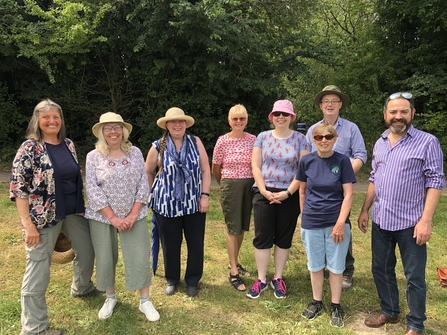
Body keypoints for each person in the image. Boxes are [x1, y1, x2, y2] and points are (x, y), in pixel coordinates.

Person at [357, 92, 445, 335]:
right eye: (393, 112)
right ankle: (390, 310)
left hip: (411, 223)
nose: (398, 116)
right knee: (380, 268)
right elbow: (374, 178)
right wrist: (365, 209)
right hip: (382, 220)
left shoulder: (427, 142)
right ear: (385, 115)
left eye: (403, 111)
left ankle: (416, 324)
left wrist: (425, 221)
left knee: (414, 276)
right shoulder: (381, 141)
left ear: (412, 113)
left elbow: (435, 182)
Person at [10, 99, 98, 335]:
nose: (52, 121)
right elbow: (19, 188)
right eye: (46, 116)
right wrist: (27, 225)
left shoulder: (68, 144)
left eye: (56, 116)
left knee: (88, 249)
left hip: (73, 211)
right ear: (37, 120)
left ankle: (82, 287)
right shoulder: (29, 148)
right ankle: (34, 328)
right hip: (42, 217)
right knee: (38, 268)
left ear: (61, 120)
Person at [85, 112, 159, 322]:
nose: (113, 131)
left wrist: (133, 214)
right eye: (107, 128)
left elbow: (143, 184)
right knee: (105, 257)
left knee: (139, 255)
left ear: (124, 131)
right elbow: (92, 188)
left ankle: (145, 301)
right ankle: (110, 297)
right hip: (102, 216)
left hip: (133, 215)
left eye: (117, 127)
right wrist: (114, 218)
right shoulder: (93, 156)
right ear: (101, 132)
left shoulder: (134, 152)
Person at [291, 123, 355, 328]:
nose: (324, 140)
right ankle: (317, 301)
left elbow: (348, 195)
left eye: (328, 136)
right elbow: (301, 191)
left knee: (336, 266)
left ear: (335, 139)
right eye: (319, 137)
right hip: (312, 221)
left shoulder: (343, 161)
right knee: (315, 264)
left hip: (336, 222)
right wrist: (305, 216)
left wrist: (339, 223)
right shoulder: (306, 161)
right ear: (314, 140)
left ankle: (336, 305)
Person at [247, 99, 310, 299]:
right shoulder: (263, 137)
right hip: (263, 193)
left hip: (289, 194)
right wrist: (264, 191)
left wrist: (288, 193)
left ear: (292, 117)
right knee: (262, 237)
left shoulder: (301, 139)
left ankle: (278, 278)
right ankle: (261, 279)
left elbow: (303, 169)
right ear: (271, 117)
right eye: (277, 114)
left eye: (285, 114)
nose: (281, 117)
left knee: (284, 238)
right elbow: (256, 166)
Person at [306, 85, 367, 291]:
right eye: (326, 101)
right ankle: (319, 268)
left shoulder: (351, 129)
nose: (330, 104)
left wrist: (343, 175)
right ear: (321, 106)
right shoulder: (313, 131)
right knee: (317, 228)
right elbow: (306, 158)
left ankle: (345, 269)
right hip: (317, 187)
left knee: (342, 226)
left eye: (334, 101)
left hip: (341, 187)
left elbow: (361, 155)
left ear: (340, 104)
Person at [146, 107, 211, 297]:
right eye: (173, 121)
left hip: (194, 203)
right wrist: (153, 193)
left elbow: (206, 170)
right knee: (170, 244)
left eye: (180, 121)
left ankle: (192, 280)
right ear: (166, 125)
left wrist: (205, 195)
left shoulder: (195, 142)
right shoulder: (157, 146)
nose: (177, 124)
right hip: (166, 205)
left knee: (195, 243)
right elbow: (148, 171)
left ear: (185, 124)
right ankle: (172, 279)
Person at [212, 104, 256, 292]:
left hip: (249, 184)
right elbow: (216, 167)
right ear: (229, 121)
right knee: (233, 228)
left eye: (242, 118)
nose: (239, 122)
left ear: (246, 120)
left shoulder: (254, 140)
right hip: (230, 184)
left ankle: (235, 262)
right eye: (235, 118)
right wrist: (225, 184)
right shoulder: (223, 141)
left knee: (242, 226)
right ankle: (233, 272)